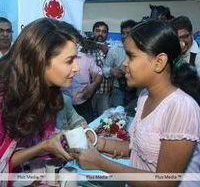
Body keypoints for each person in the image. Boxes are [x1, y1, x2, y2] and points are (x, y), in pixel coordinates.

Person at [70, 20, 200, 187]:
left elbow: (165, 183)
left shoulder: (182, 108)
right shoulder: (145, 95)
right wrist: (98, 142)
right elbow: (139, 148)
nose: (124, 63)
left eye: (131, 56)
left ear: (159, 62)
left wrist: (100, 163)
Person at [0, 18, 82, 186]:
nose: (77, 68)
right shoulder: (4, 98)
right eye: (69, 60)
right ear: (41, 60)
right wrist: (43, 147)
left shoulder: (46, 91)